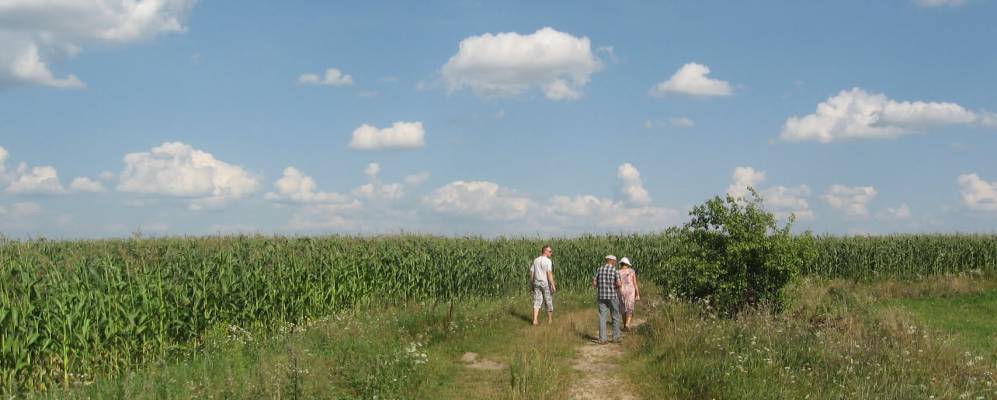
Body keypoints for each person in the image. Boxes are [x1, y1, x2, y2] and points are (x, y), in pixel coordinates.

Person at [591, 255, 622, 344]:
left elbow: (594, 282)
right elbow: (619, 284)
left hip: (601, 296)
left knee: (602, 317)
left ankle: (603, 339)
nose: (615, 263)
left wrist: (599, 286)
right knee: (615, 316)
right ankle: (616, 338)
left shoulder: (599, 269)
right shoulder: (614, 270)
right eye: (615, 261)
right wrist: (615, 286)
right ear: (611, 261)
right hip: (612, 295)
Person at [530, 245, 556, 325]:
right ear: (545, 251)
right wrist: (553, 285)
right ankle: (550, 320)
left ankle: (535, 320)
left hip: (537, 283)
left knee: (537, 301)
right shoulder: (548, 261)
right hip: (545, 283)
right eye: (550, 251)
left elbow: (532, 272)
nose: (551, 253)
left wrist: (532, 283)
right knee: (548, 301)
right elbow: (549, 273)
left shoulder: (536, 260)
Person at [617, 257, 640, 331]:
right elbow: (635, 283)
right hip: (630, 290)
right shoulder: (632, 271)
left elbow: (617, 283)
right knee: (630, 308)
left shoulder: (617, 272)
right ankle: (627, 323)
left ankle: (624, 326)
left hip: (621, 291)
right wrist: (637, 294)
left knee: (623, 308)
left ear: (621, 264)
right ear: (627, 264)